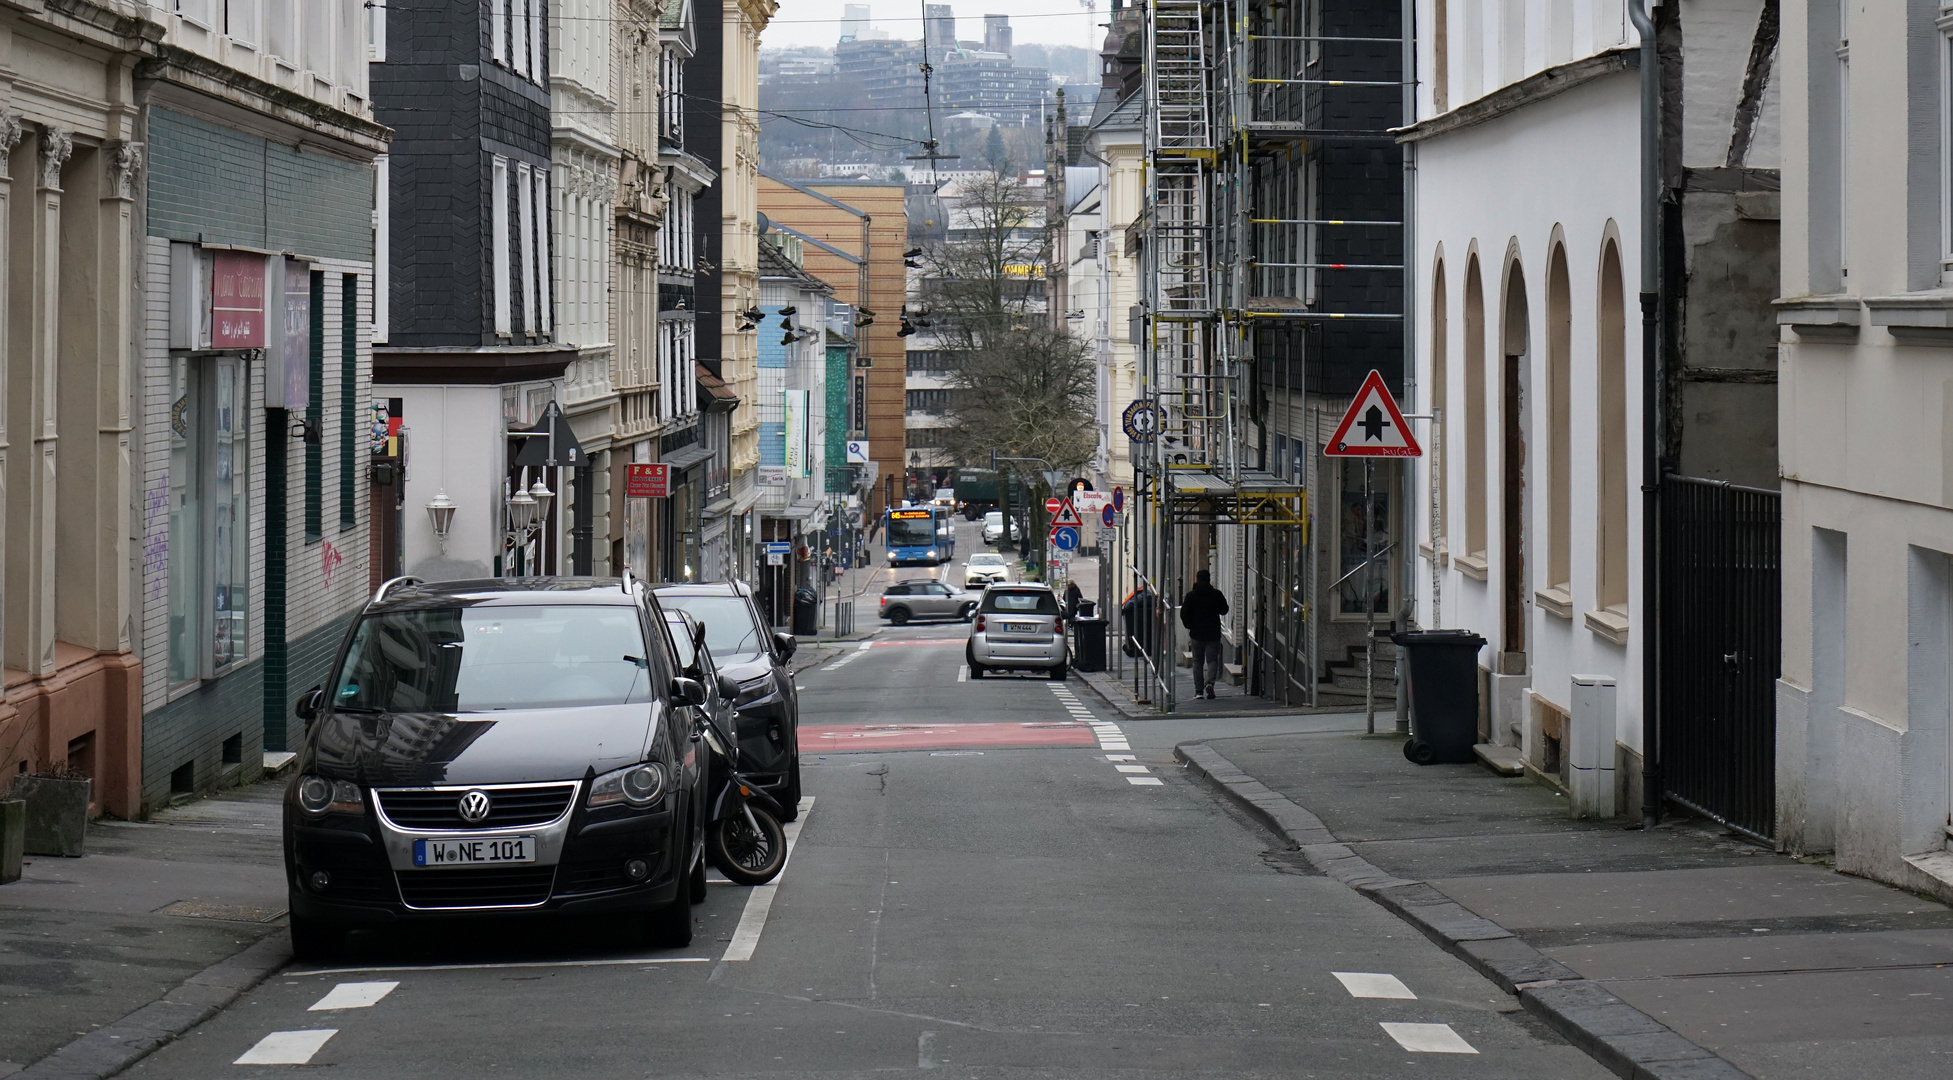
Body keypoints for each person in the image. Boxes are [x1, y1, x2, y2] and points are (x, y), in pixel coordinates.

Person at [1179, 569, 1230, 700]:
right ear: (1209, 579)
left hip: (1196, 634)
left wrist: (1190, 625)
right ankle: (1210, 683)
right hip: (1213, 633)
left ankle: (1198, 691)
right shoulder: (1216, 594)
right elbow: (1224, 610)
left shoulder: (1191, 596)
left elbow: (1184, 614)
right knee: (1212, 660)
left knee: (1197, 662)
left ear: (1197, 579)